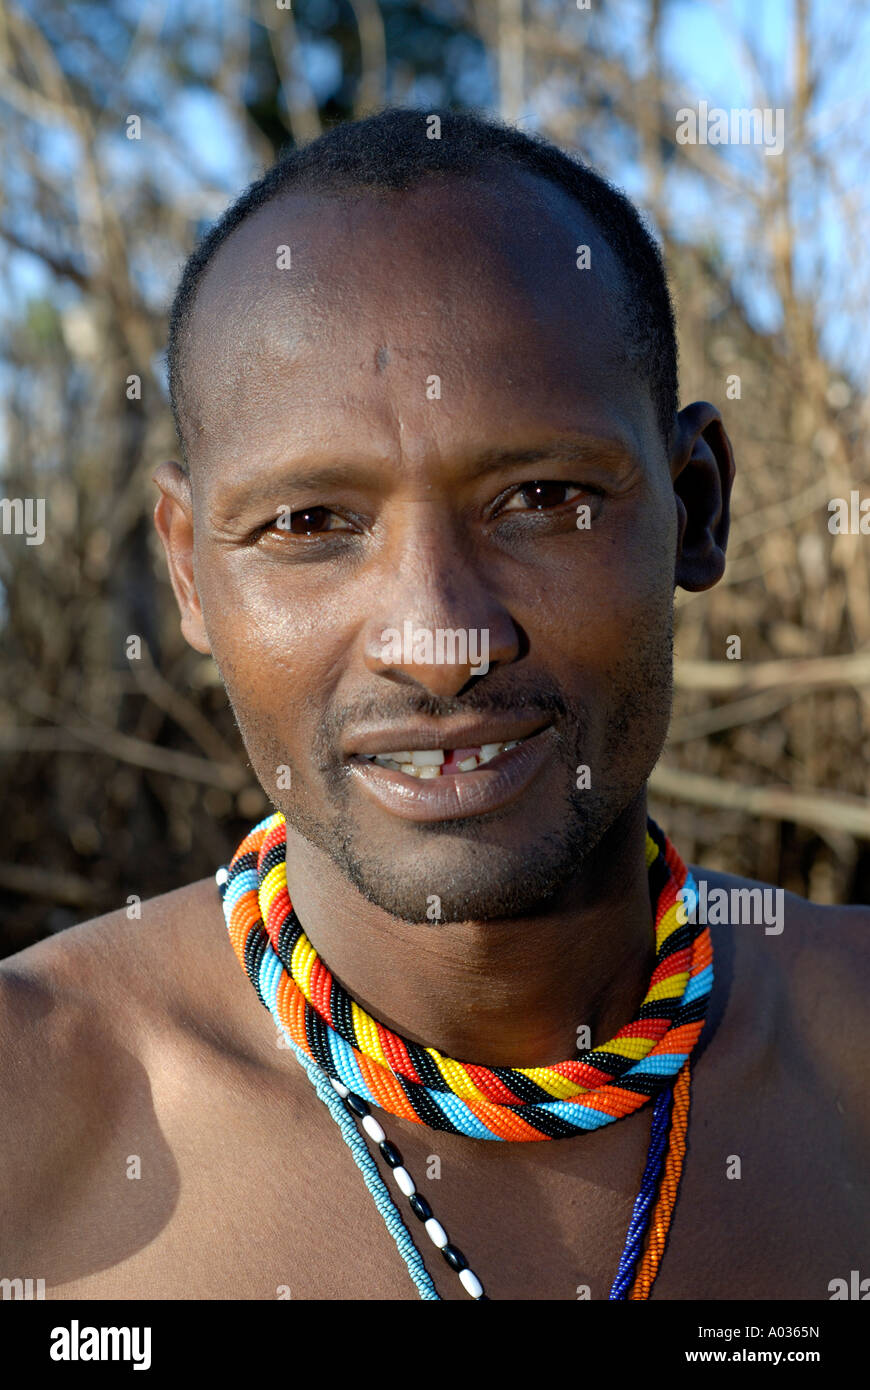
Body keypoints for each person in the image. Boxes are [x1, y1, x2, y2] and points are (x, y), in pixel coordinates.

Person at [1, 109, 866, 1302]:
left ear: (694, 507)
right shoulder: (34, 1103)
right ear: (192, 571)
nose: (437, 639)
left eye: (540, 497)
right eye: (311, 524)